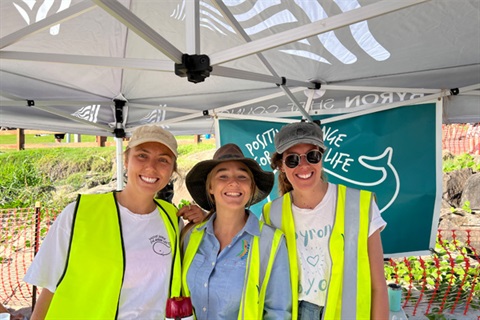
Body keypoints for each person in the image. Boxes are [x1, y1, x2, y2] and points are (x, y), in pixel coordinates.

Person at [24, 125, 204, 319]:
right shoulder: (77, 214)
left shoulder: (172, 218)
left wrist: (204, 223)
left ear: (172, 170)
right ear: (126, 160)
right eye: (142, 155)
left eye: (163, 160)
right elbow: (49, 287)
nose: (151, 167)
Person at [263, 121, 389, 320]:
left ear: (321, 157)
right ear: (281, 166)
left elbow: (378, 284)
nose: (304, 165)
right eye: (292, 160)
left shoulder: (360, 203)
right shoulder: (271, 213)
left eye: (312, 156)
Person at [181, 143, 292, 319]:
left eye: (242, 176)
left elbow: (278, 311)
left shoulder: (271, 242)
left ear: (251, 188)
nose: (233, 182)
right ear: (210, 187)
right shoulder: (190, 236)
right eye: (223, 176)